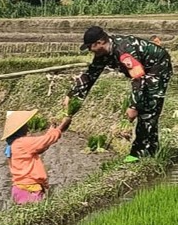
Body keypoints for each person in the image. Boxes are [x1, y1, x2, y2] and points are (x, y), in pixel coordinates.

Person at [68, 26, 172, 161]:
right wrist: (71, 95)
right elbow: (91, 75)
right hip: (141, 70)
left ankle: (141, 153)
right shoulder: (103, 53)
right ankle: (149, 152)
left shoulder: (124, 52)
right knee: (144, 107)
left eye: (90, 47)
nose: (89, 50)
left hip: (156, 66)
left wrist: (133, 106)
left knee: (149, 108)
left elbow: (138, 78)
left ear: (99, 43)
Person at [3, 110, 72, 204]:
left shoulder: (13, 145)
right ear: (19, 128)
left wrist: (52, 130)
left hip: (20, 189)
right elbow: (46, 141)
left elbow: (42, 145)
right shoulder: (22, 143)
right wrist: (61, 127)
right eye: (24, 125)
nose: (27, 127)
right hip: (29, 189)